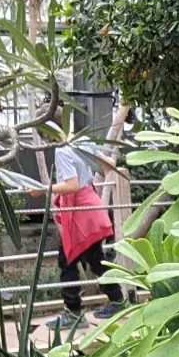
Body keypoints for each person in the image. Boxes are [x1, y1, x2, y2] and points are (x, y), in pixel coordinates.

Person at [30, 135, 122, 330]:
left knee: (68, 260)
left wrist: (42, 189)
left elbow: (72, 185)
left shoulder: (63, 150)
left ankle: (74, 314)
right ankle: (118, 300)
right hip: (91, 205)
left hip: (80, 212)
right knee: (95, 258)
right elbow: (110, 165)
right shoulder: (84, 140)